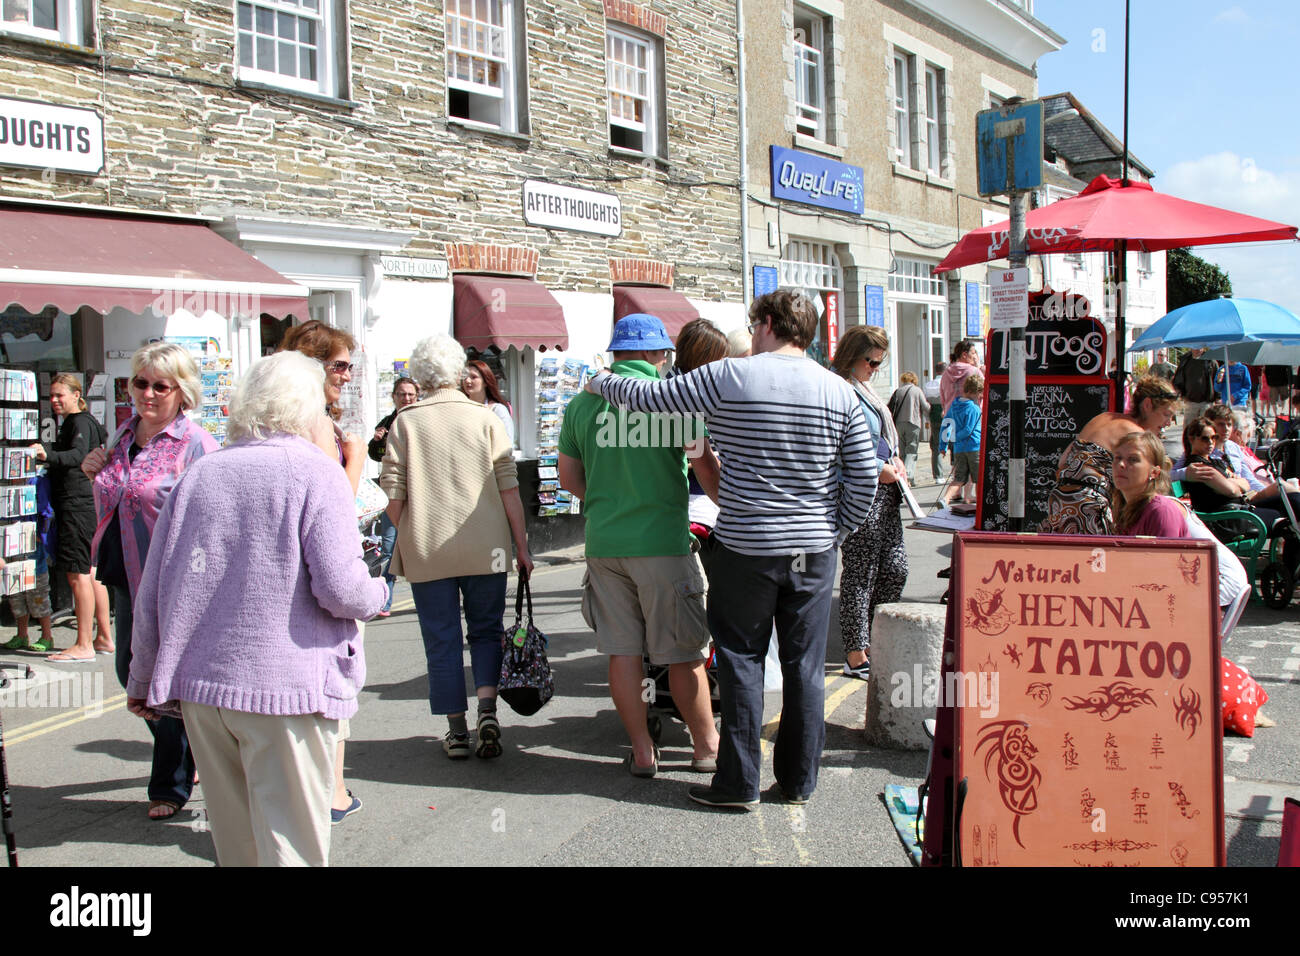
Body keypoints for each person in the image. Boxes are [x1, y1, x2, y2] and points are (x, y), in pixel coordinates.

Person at [585, 290, 878, 810]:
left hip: (745, 546)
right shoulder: (840, 392)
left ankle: (738, 783)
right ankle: (797, 781)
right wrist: (834, 531)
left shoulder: (730, 377)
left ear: (766, 324)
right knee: (804, 667)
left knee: (741, 660)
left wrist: (601, 380)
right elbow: (863, 479)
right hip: (812, 551)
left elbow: (650, 400)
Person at [126, 351, 389, 866]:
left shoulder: (202, 475)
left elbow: (156, 589)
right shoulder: (316, 473)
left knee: (238, 845)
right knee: (290, 846)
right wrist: (379, 594)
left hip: (205, 691)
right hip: (284, 690)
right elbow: (341, 588)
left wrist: (142, 678)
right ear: (307, 408)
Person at [558, 314, 720, 776]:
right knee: (683, 653)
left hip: (605, 544)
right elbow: (707, 474)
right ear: (657, 355)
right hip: (664, 544)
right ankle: (707, 748)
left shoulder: (580, 406)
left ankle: (643, 750)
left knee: (624, 653)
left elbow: (570, 479)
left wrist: (611, 503)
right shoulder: (673, 403)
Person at [82, 342, 220, 820]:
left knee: (160, 680)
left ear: (182, 393)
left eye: (161, 385)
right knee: (129, 672)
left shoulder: (197, 444)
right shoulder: (122, 436)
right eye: (140, 382)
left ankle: (169, 787)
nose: (148, 393)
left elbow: (214, 516)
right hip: (124, 572)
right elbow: (118, 494)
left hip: (172, 580)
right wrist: (93, 473)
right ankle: (191, 751)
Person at [380, 334, 532, 760]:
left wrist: (411, 532)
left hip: (428, 549)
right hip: (488, 549)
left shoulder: (406, 422)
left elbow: (392, 498)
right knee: (486, 631)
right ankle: (487, 709)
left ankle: (457, 730)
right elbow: (509, 491)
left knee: (441, 639)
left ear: (421, 374)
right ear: (454, 371)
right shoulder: (486, 419)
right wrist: (521, 548)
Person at [278, 319, 366, 823]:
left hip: (301, 570)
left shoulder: (297, 419)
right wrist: (353, 462)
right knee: (334, 679)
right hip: (322, 573)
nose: (348, 376)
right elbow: (329, 510)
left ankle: (327, 787)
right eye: (339, 366)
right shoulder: (313, 428)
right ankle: (329, 793)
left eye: (350, 366)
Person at [1110, 430, 1250, 641]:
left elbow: (1168, 577)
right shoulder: (1123, 506)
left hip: (1215, 581)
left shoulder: (1161, 509)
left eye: (1133, 460)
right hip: (1185, 585)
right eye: (1118, 458)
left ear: (1154, 472)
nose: (1121, 465)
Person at [832, 326, 907, 682]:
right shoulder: (839, 388)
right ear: (853, 355)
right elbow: (841, 448)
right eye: (872, 361)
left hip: (887, 488)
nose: (875, 368)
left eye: (880, 362)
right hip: (862, 488)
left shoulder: (862, 386)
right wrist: (879, 468)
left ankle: (873, 639)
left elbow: (879, 437)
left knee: (896, 568)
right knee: (860, 574)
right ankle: (855, 653)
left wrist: (896, 458)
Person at [30, 373, 112, 662]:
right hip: (86, 503)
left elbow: (76, 456)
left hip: (76, 506)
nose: (54, 401)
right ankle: (103, 637)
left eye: (59, 395)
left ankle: (84, 644)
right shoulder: (86, 422)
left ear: (77, 395)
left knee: (78, 574)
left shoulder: (77, 422)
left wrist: (45, 456)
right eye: (51, 395)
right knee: (91, 572)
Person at [1040, 375, 1179, 535]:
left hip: (1059, 498)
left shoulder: (1103, 417)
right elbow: (1152, 481)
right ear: (1147, 405)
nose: (1168, 422)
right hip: (1089, 504)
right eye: (1166, 414)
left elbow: (1062, 461)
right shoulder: (1137, 435)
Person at [368, 377, 419, 618]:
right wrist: (377, 442)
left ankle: (430, 594)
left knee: (421, 546)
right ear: (394, 397)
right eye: (402, 394)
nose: (406, 398)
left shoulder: (422, 420)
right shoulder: (388, 422)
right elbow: (376, 455)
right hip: (392, 492)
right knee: (388, 546)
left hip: (420, 492)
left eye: (410, 394)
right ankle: (385, 600)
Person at [1, 476, 53, 652]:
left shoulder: (36, 481)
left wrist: (41, 536)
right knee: (15, 591)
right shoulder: (5, 483)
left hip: (32, 544)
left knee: (37, 590)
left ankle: (47, 636)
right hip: (10, 544)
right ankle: (21, 634)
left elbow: (46, 512)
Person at [941, 373, 984, 506]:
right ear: (974, 392)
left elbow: (946, 424)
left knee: (959, 478)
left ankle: (945, 499)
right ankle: (981, 505)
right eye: (979, 393)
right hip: (974, 447)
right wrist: (956, 438)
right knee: (979, 479)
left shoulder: (954, 405)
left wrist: (943, 445)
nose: (980, 396)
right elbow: (968, 429)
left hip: (959, 449)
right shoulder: (974, 408)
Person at [462, 359, 514, 445]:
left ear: (485, 382)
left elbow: (507, 444)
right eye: (465, 377)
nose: (467, 381)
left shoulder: (498, 410)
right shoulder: (461, 408)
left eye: (473, 377)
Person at [889, 371, 928, 485]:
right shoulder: (917, 390)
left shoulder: (898, 391)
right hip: (913, 422)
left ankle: (904, 475)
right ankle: (908, 476)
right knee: (911, 451)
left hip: (898, 424)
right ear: (914, 379)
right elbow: (925, 406)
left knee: (902, 451)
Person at [1172, 347, 1217, 422]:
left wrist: (1217, 397)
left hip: (1206, 402)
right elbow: (1178, 378)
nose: (1197, 349)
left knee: (1206, 427)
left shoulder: (1210, 360)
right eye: (1195, 346)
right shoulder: (1185, 361)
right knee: (1189, 428)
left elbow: (1217, 379)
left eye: (1199, 346)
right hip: (1190, 401)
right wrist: (1180, 392)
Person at [940, 339, 981, 413]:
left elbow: (943, 398)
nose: (975, 356)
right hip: (969, 415)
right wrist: (978, 366)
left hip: (950, 416)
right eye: (973, 353)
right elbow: (986, 391)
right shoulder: (974, 371)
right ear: (964, 355)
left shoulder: (945, 373)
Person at [925, 362, 947, 483]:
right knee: (954, 444)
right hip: (946, 413)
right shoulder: (946, 383)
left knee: (936, 446)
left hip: (934, 415)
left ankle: (938, 475)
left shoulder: (928, 384)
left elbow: (926, 401)